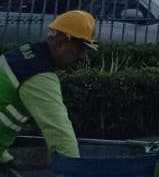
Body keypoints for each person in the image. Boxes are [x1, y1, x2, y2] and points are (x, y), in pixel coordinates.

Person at [0, 11, 96, 165]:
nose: (82, 57)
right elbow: (59, 131)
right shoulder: (38, 75)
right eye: (80, 49)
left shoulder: (24, 54)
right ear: (62, 43)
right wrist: (73, 174)